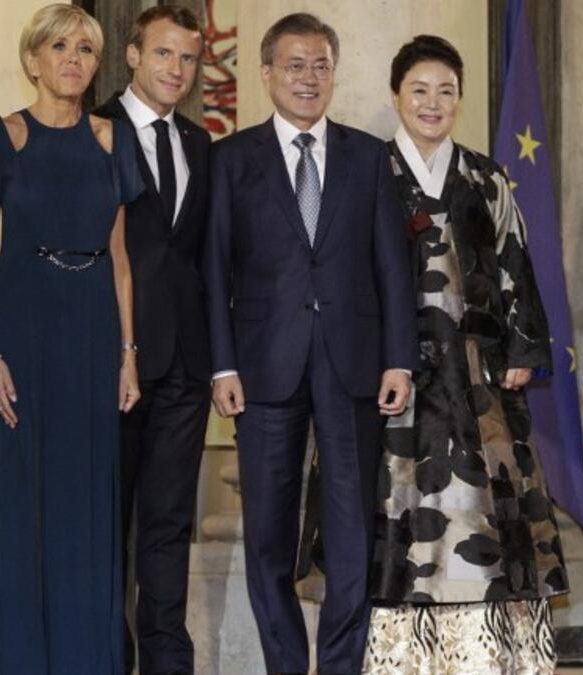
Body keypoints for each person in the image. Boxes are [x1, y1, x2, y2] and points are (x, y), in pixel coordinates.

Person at [203, 13, 418, 675]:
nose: (308, 77)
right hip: (263, 367)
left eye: (321, 64)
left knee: (352, 534)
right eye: (294, 64)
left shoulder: (366, 157)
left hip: (353, 366)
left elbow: (392, 267)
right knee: (267, 535)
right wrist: (222, 363)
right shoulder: (232, 159)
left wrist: (400, 358)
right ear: (266, 74)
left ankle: (343, 666)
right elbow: (214, 268)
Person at [354, 35, 568, 674]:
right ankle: (404, 659)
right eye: (420, 89)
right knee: (403, 509)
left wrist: (523, 347)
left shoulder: (486, 176)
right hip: (396, 371)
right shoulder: (369, 172)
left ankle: (490, 656)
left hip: (480, 375)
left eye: (446, 91)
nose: (432, 102)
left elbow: (515, 266)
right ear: (396, 95)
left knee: (483, 513)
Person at [0, 4, 143, 673]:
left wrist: (128, 355)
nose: (73, 58)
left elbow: (121, 256)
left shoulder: (111, 139)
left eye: (87, 49)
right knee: (26, 502)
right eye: (59, 45)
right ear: (33, 56)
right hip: (24, 327)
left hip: (94, 328)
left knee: (90, 506)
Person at [94, 7, 211, 674]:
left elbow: (198, 256)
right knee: (110, 524)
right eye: (164, 54)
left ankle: (169, 662)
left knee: (169, 522)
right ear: (133, 55)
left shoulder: (200, 141)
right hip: (116, 359)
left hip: (186, 366)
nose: (177, 69)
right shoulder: (91, 130)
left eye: (189, 59)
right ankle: (110, 657)